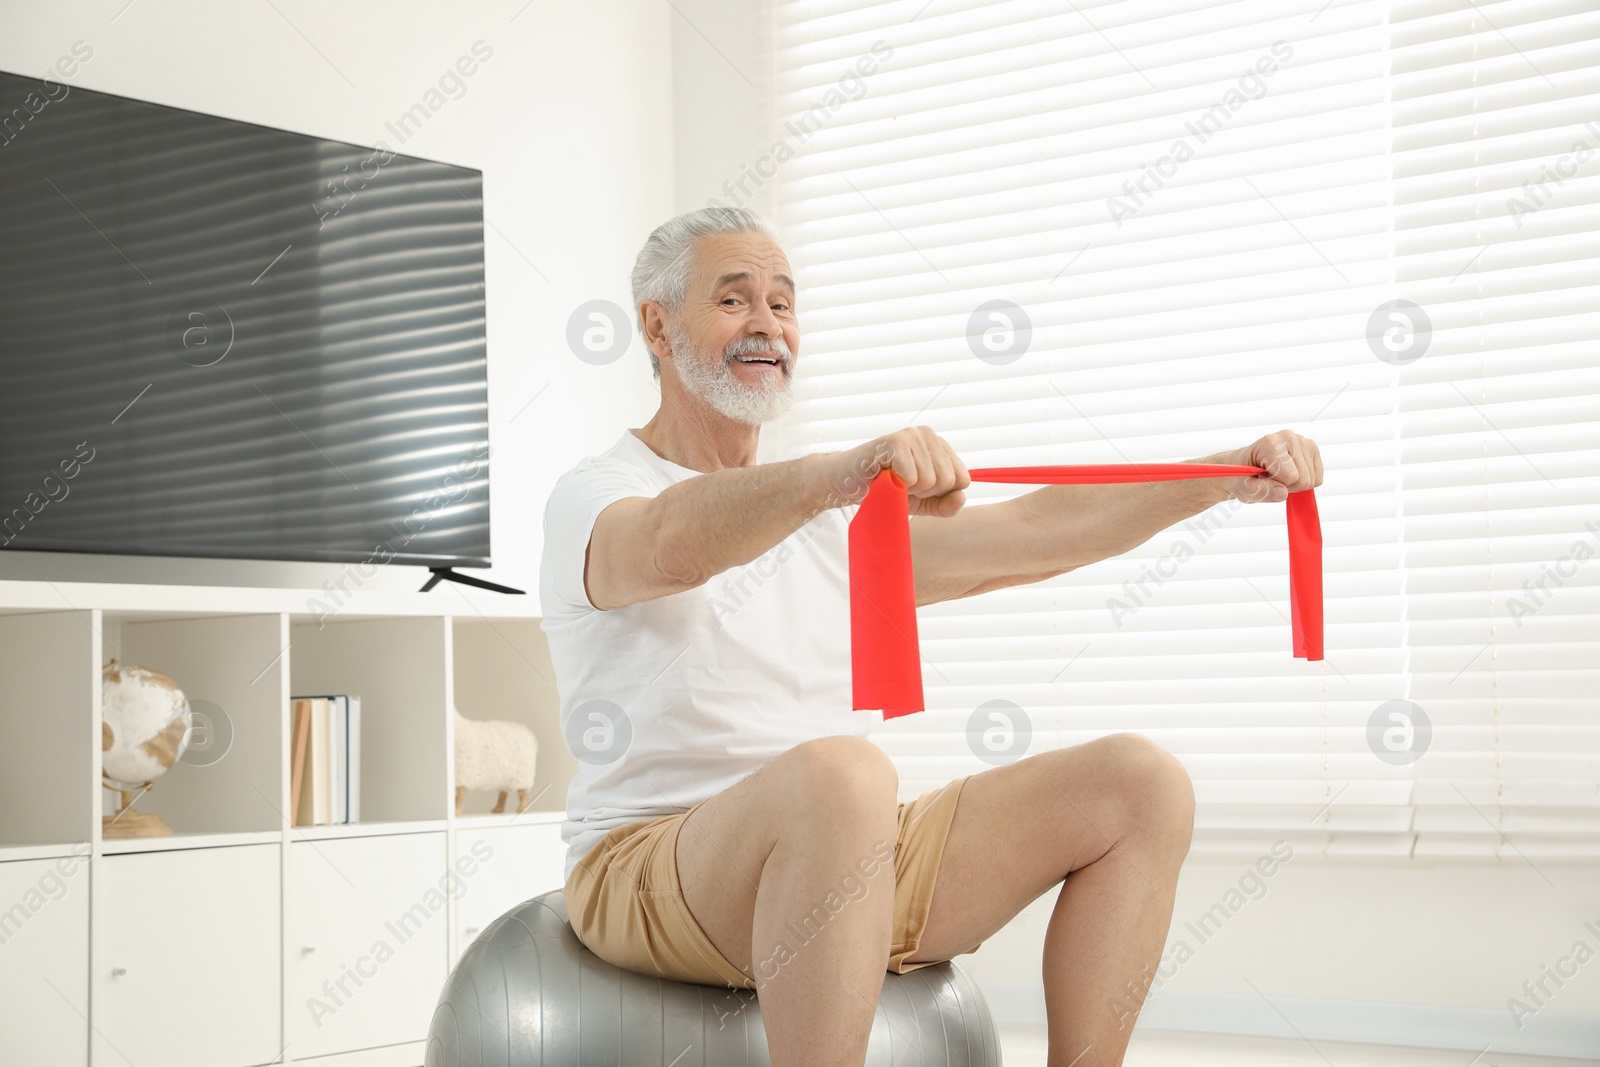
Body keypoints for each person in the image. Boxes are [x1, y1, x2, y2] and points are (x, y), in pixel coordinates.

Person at [538, 206, 1324, 1067]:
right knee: (843, 772)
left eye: (783, 303)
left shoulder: (832, 522)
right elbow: (671, 545)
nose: (767, 323)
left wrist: (1220, 475)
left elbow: (1032, 531)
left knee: (1141, 783)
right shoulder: (601, 493)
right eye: (734, 300)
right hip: (656, 867)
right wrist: (834, 476)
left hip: (846, 850)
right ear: (657, 325)